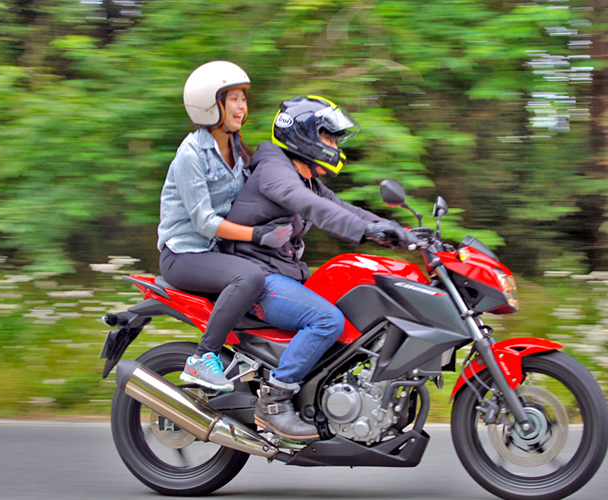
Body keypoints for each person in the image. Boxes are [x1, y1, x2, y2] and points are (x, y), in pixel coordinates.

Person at [220, 95, 416, 440]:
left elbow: (344, 208)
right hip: (258, 278)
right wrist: (367, 231)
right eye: (329, 137)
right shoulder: (274, 171)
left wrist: (403, 233)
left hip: (282, 271)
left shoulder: (304, 175)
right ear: (303, 135)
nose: (334, 145)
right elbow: (310, 207)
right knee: (326, 319)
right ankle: (275, 401)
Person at [157, 61, 293, 392]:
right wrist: (257, 235)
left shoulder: (237, 149)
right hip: (185, 253)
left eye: (243, 99)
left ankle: (254, 359)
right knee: (249, 277)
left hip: (216, 252)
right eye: (232, 98)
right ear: (209, 104)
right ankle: (203, 358)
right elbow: (204, 222)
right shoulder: (191, 154)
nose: (242, 106)